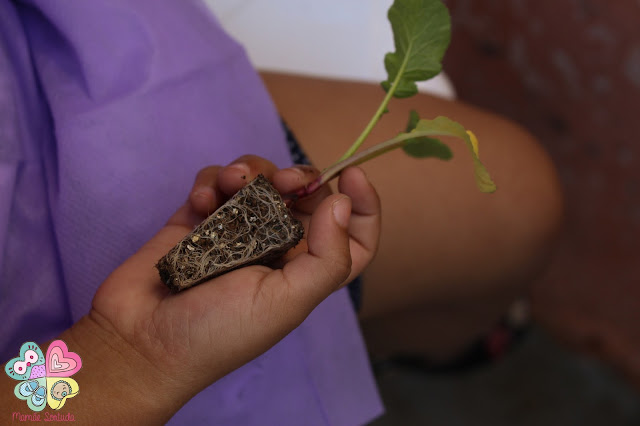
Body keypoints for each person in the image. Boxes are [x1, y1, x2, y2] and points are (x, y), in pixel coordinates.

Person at [1, 1, 563, 424]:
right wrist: (127, 357)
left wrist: (128, 346)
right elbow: (43, 406)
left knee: (514, 198)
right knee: (517, 201)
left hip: (45, 87)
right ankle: (407, 346)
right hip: (72, 353)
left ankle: (389, 341)